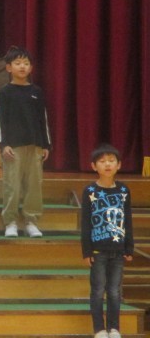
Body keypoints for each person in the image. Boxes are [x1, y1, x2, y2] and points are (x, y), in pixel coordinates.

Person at [0, 45, 51, 238]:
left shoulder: (37, 91)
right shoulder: (4, 92)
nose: (22, 66)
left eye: (26, 63)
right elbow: (0, 121)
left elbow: (43, 119)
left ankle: (31, 221)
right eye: (17, 63)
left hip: (35, 145)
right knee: (12, 184)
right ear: (9, 67)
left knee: (34, 185)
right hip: (13, 147)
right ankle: (10, 222)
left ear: (31, 68)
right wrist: (4, 144)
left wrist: (45, 145)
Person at [81, 144, 134, 338]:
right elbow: (85, 223)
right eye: (102, 161)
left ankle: (114, 328)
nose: (107, 164)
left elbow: (127, 220)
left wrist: (129, 247)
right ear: (94, 166)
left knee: (114, 291)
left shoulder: (123, 190)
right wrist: (86, 251)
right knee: (97, 291)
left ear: (119, 165)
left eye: (111, 161)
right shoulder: (89, 191)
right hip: (98, 251)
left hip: (118, 250)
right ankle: (99, 329)